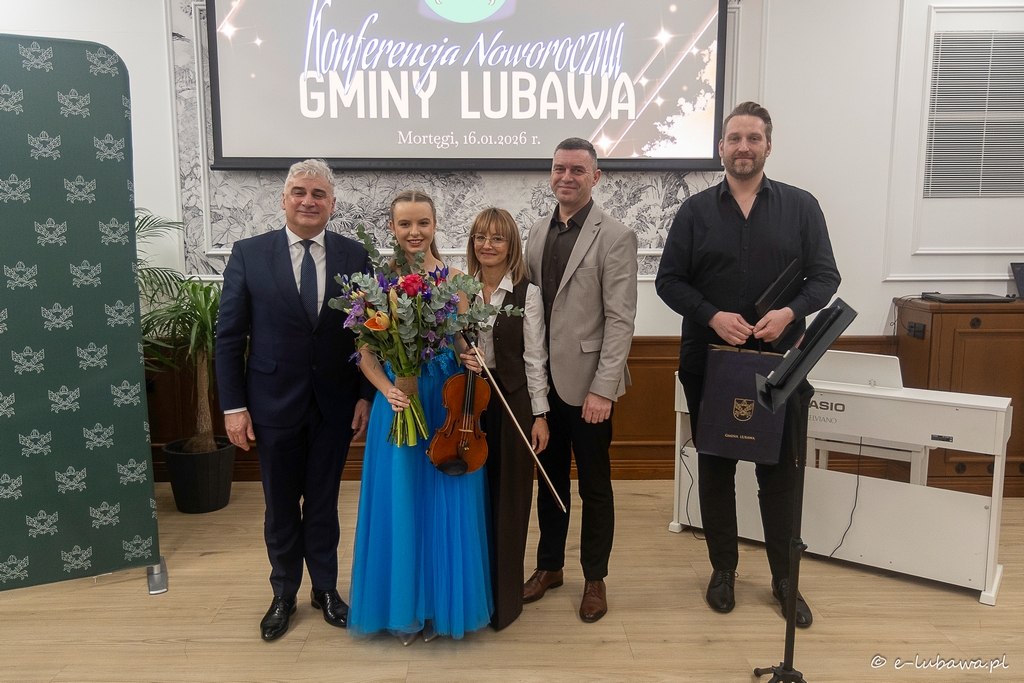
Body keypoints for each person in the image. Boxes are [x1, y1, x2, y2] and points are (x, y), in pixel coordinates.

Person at [655, 101, 841, 628]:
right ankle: (724, 571)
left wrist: (790, 312)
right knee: (716, 470)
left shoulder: (801, 207)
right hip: (710, 364)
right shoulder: (694, 212)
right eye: (734, 138)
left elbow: (826, 278)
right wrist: (712, 316)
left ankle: (785, 579)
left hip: (780, 365)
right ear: (720, 147)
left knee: (779, 474)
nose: (743, 147)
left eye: (753, 138)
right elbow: (669, 281)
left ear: (768, 146)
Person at [215, 158, 372, 641]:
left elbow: (368, 334)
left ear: (332, 204)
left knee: (323, 504)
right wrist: (233, 408)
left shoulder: (354, 255)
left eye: (318, 194)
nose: (308, 201)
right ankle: (283, 593)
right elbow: (229, 337)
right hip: (271, 404)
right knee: (281, 507)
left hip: (335, 405)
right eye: (299, 192)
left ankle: (325, 590)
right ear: (284, 200)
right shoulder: (249, 253)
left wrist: (365, 396)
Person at [347, 190, 492, 644]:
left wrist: (471, 356)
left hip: (443, 400)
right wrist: (385, 388)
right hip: (400, 400)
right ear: (392, 228)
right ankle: (403, 609)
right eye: (405, 224)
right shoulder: (377, 283)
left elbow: (464, 342)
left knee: (442, 498)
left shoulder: (456, 280)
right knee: (401, 499)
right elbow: (366, 352)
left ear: (435, 225)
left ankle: (436, 609)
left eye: (423, 223)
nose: (415, 232)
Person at [522, 137, 638, 623]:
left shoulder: (616, 236)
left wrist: (603, 389)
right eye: (559, 168)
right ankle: (550, 566)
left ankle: (595, 577)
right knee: (549, 483)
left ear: (595, 177)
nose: (566, 177)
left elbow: (621, 320)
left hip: (590, 388)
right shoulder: (535, 232)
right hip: (542, 386)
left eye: (576, 170)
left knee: (594, 486)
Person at [459, 207, 550, 631]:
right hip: (467, 401)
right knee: (471, 502)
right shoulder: (460, 289)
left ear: (511, 244)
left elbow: (535, 357)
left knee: (510, 503)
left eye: (497, 238)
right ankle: (473, 598)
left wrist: (540, 415)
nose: (488, 245)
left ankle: (505, 604)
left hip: (513, 401)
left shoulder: (527, 293)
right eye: (481, 237)